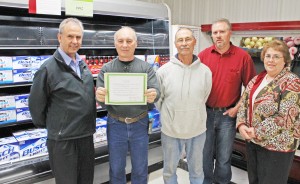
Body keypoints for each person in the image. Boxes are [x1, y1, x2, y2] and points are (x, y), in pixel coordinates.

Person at [28, 18, 96, 184]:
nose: (75, 41)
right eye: (70, 36)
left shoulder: (83, 65)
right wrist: (57, 126)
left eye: (78, 37)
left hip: (86, 136)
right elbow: (36, 108)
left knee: (86, 181)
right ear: (59, 38)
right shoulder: (47, 69)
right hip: (63, 141)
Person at [95, 26, 160, 184]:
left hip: (140, 122)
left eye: (129, 41)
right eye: (121, 41)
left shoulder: (146, 68)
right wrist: (99, 97)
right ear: (115, 44)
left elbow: (156, 91)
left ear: (135, 44)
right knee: (116, 168)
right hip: (115, 123)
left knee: (140, 167)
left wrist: (154, 94)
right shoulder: (106, 69)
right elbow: (102, 102)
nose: (125, 45)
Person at [198, 18, 256, 184]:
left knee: (224, 157)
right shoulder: (203, 56)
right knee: (205, 154)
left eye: (222, 32)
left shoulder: (243, 57)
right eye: (215, 32)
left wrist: (237, 107)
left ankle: (222, 182)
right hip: (205, 114)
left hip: (228, 115)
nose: (218, 36)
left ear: (230, 33)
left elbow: (251, 87)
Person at [236, 39, 300, 184]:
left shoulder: (291, 82)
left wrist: (257, 131)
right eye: (268, 56)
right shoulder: (257, 79)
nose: (271, 60)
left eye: (276, 56)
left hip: (277, 147)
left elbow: (285, 118)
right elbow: (244, 104)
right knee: (255, 180)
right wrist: (241, 125)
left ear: (285, 60)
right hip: (253, 143)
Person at [155, 28, 212, 184]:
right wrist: (172, 115)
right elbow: (159, 101)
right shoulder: (163, 72)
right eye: (180, 40)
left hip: (197, 130)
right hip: (171, 131)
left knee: (197, 171)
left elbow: (203, 97)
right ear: (175, 44)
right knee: (169, 171)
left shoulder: (205, 72)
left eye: (188, 39)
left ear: (194, 42)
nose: (184, 43)